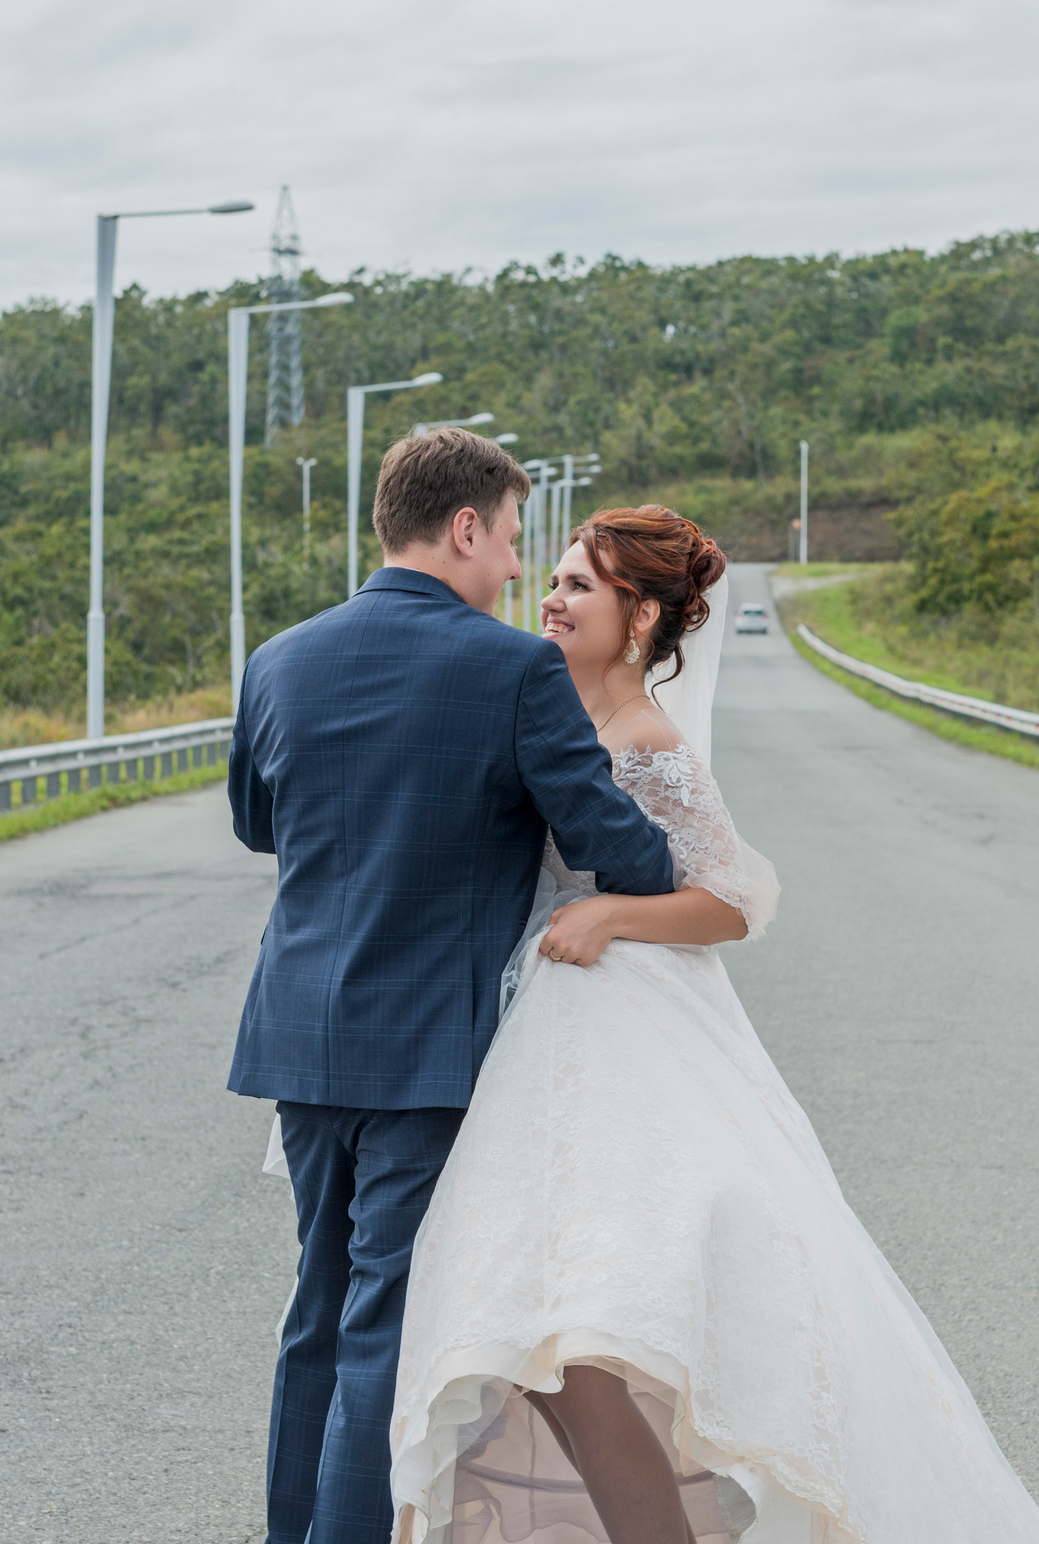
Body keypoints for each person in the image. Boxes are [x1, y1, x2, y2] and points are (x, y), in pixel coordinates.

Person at [388, 506, 1039, 1544]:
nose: (552, 596)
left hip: (626, 1035)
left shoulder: (646, 739)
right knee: (543, 1330)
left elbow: (733, 898)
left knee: (590, 1323)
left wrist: (613, 910)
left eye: (579, 585)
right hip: (540, 1036)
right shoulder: (538, 706)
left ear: (641, 615)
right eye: (555, 577)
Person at [227, 430, 677, 1544]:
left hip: (303, 1035)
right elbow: (614, 846)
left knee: (317, 1315)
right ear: (464, 526)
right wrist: (650, 867)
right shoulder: (510, 667)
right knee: (387, 1322)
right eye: (514, 541)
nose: (518, 572)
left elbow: (256, 822)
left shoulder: (277, 657)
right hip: (431, 1048)